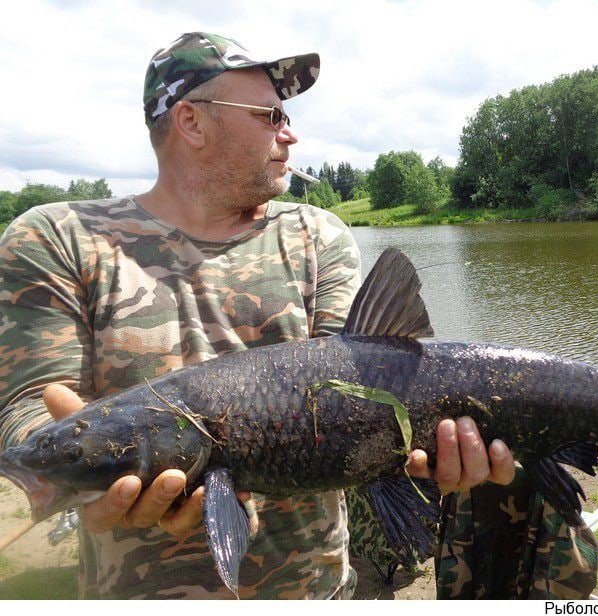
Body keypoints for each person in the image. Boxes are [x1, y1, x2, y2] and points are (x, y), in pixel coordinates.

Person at [0, 32, 516, 599]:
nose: (289, 133)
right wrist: (75, 462)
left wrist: (436, 446)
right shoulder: (56, 237)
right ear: (191, 122)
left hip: (316, 590)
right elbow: (25, 402)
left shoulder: (317, 235)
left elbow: (368, 398)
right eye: (269, 115)